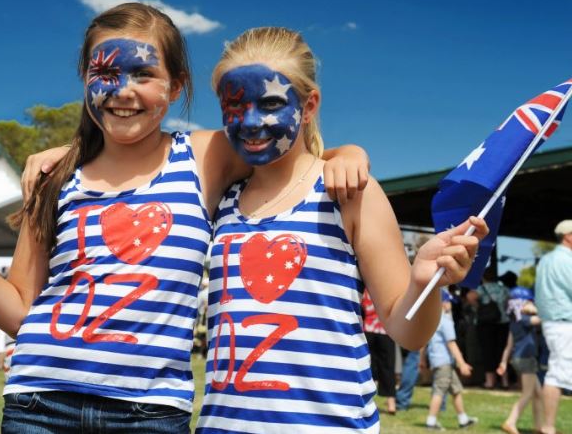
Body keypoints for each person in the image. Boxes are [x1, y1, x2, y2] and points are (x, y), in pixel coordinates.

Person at [0, 4, 370, 433]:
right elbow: (20, 312)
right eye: (106, 74)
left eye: (143, 74)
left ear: (176, 86)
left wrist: (347, 154)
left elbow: (279, 147)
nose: (123, 90)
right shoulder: (54, 178)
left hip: (151, 413)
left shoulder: (204, 157)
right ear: (86, 79)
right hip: (39, 403)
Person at [192, 27, 485, 433]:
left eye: (272, 103)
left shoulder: (350, 192)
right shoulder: (221, 197)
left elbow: (408, 331)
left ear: (309, 105)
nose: (251, 122)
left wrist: (424, 283)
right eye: (234, 107)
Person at [534, 219, 572, 434]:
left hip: (553, 321)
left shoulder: (546, 260)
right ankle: (548, 427)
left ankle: (547, 426)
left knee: (558, 371)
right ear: (568, 236)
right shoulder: (566, 261)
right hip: (565, 321)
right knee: (557, 374)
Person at [424, 290, 478, 430]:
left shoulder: (431, 319)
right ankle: (431, 421)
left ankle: (463, 419)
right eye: (448, 302)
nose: (450, 305)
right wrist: (462, 364)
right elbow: (451, 344)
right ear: (443, 303)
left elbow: (425, 342)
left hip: (437, 360)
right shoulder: (445, 320)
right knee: (439, 391)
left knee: (456, 389)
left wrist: (422, 359)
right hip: (444, 362)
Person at [497, 286, 544, 434]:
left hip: (520, 358)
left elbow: (508, 346)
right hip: (526, 359)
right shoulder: (524, 319)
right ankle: (510, 422)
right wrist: (536, 310)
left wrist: (503, 362)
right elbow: (542, 319)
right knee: (528, 393)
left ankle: (539, 427)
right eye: (530, 301)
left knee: (538, 394)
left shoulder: (514, 321)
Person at [362, 289, 397, 415]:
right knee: (386, 366)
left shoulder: (365, 286)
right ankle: (391, 402)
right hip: (383, 329)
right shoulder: (386, 286)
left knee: (368, 365)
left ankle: (372, 400)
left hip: (371, 328)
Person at [476, 271, 510, 388]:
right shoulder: (504, 289)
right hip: (503, 322)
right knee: (502, 352)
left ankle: (490, 382)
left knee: (488, 352)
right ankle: (505, 381)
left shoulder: (481, 289)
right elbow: (508, 303)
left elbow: (471, 298)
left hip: (486, 324)